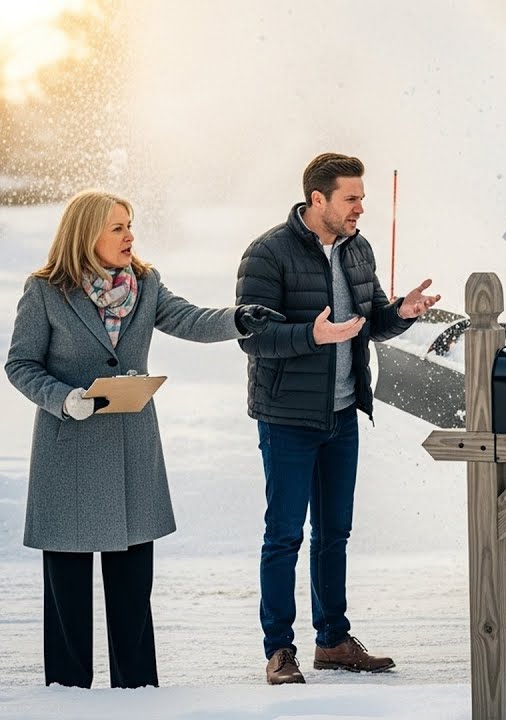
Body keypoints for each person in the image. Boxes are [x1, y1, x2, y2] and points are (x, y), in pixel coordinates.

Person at [5, 190, 282, 688]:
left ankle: (137, 689)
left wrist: (238, 319)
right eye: (117, 227)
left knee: (133, 584)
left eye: (129, 224)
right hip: (69, 449)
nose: (130, 235)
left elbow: (188, 318)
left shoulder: (146, 284)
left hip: (132, 451)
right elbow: (20, 364)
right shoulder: (45, 290)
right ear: (86, 234)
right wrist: (64, 398)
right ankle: (67, 693)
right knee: (67, 586)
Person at [236, 152, 440, 685]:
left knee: (334, 533)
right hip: (287, 418)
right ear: (318, 199)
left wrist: (400, 314)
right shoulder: (268, 254)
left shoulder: (358, 249)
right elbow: (252, 336)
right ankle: (279, 650)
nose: (360, 209)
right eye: (351, 199)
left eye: (362, 199)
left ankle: (333, 640)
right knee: (284, 536)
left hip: (342, 413)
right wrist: (313, 336)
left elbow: (369, 320)